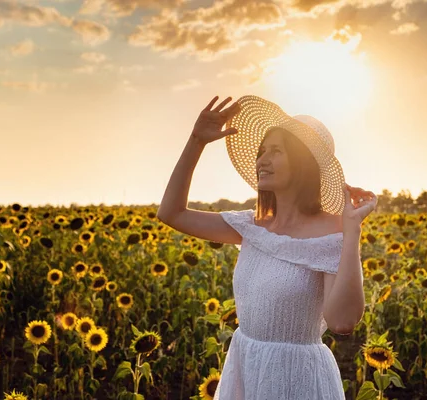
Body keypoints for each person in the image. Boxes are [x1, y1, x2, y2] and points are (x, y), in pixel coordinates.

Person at [157, 95, 377, 399]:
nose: (262, 160)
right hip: (246, 366)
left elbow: (342, 321)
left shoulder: (333, 232)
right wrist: (196, 142)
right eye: (263, 151)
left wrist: (352, 233)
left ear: (303, 163)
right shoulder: (252, 227)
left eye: (276, 151)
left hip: (296, 379)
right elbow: (171, 213)